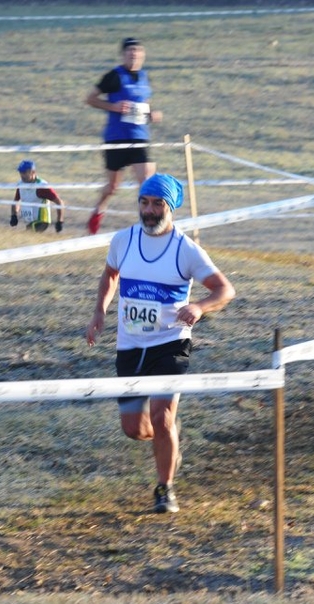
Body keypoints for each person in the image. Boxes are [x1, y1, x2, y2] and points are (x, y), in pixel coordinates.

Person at [86, 174, 235, 514]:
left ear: (171, 209)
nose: (149, 211)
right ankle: (168, 439)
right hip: (130, 345)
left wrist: (199, 306)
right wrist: (99, 312)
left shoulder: (185, 249)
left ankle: (165, 488)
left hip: (171, 343)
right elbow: (110, 275)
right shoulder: (123, 241)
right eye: (144, 202)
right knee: (134, 428)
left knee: (162, 415)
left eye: (157, 204)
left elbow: (224, 289)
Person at [84, 37, 164, 235]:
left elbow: (143, 104)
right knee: (112, 187)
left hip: (139, 137)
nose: (134, 55)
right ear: (123, 55)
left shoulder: (145, 77)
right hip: (116, 138)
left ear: (142, 55)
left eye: (137, 51)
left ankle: (148, 224)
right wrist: (113, 107)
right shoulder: (114, 76)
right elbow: (90, 99)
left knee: (146, 182)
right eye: (130, 52)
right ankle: (98, 211)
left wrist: (153, 114)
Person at [10, 159, 65, 233]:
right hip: (30, 221)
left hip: (41, 221)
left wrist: (59, 221)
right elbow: (16, 201)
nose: (22, 175)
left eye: (24, 172)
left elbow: (59, 202)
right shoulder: (21, 184)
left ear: (33, 172)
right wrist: (14, 215)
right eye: (20, 172)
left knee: (27, 235)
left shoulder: (42, 186)